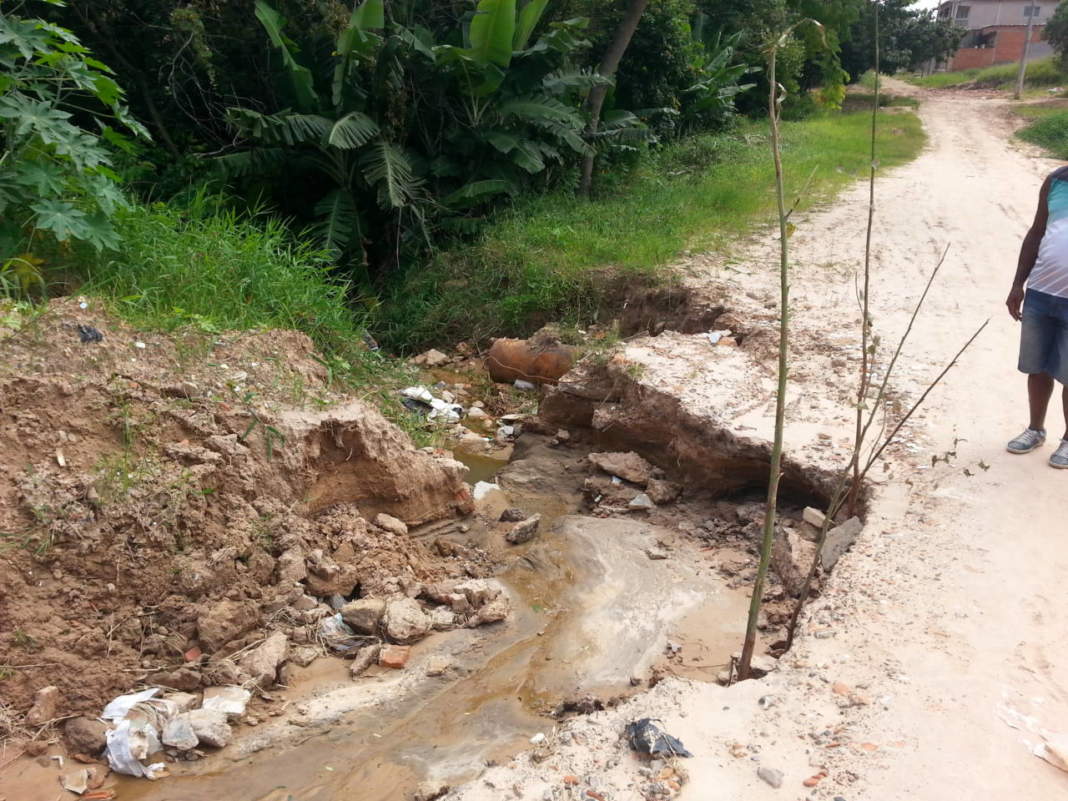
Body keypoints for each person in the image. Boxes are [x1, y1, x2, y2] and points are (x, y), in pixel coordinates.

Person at [1006, 165, 1068, 467]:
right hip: (1041, 293)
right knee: (1037, 367)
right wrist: (1018, 284)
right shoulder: (1055, 181)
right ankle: (1035, 429)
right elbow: (1037, 232)